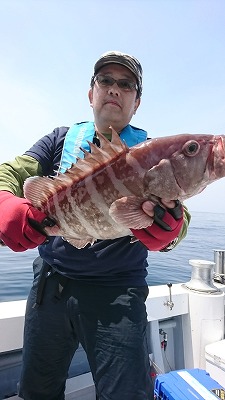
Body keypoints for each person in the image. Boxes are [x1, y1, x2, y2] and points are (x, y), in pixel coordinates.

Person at [0, 51, 191, 400]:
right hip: (51, 286)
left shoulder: (154, 155)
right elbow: (9, 173)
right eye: (106, 81)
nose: (114, 89)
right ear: (92, 94)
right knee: (37, 392)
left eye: (126, 84)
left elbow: (179, 220)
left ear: (137, 102)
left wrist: (171, 231)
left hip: (116, 294)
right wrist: (4, 203)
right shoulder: (58, 140)